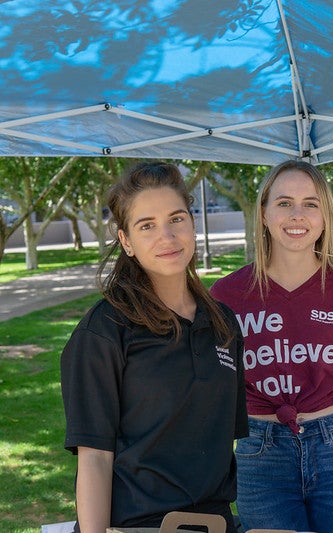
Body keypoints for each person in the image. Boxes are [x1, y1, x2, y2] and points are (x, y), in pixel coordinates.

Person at [210, 160, 333, 533]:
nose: (297, 215)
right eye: (284, 203)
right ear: (264, 213)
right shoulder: (227, 295)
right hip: (260, 456)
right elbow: (212, 402)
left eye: (310, 204)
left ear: (325, 216)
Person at [60, 162, 247, 533]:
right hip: (135, 525)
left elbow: (224, 442)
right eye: (147, 225)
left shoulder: (224, 323)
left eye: (177, 219)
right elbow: (94, 457)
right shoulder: (104, 332)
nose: (167, 236)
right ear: (126, 241)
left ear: (192, 225)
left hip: (216, 522)